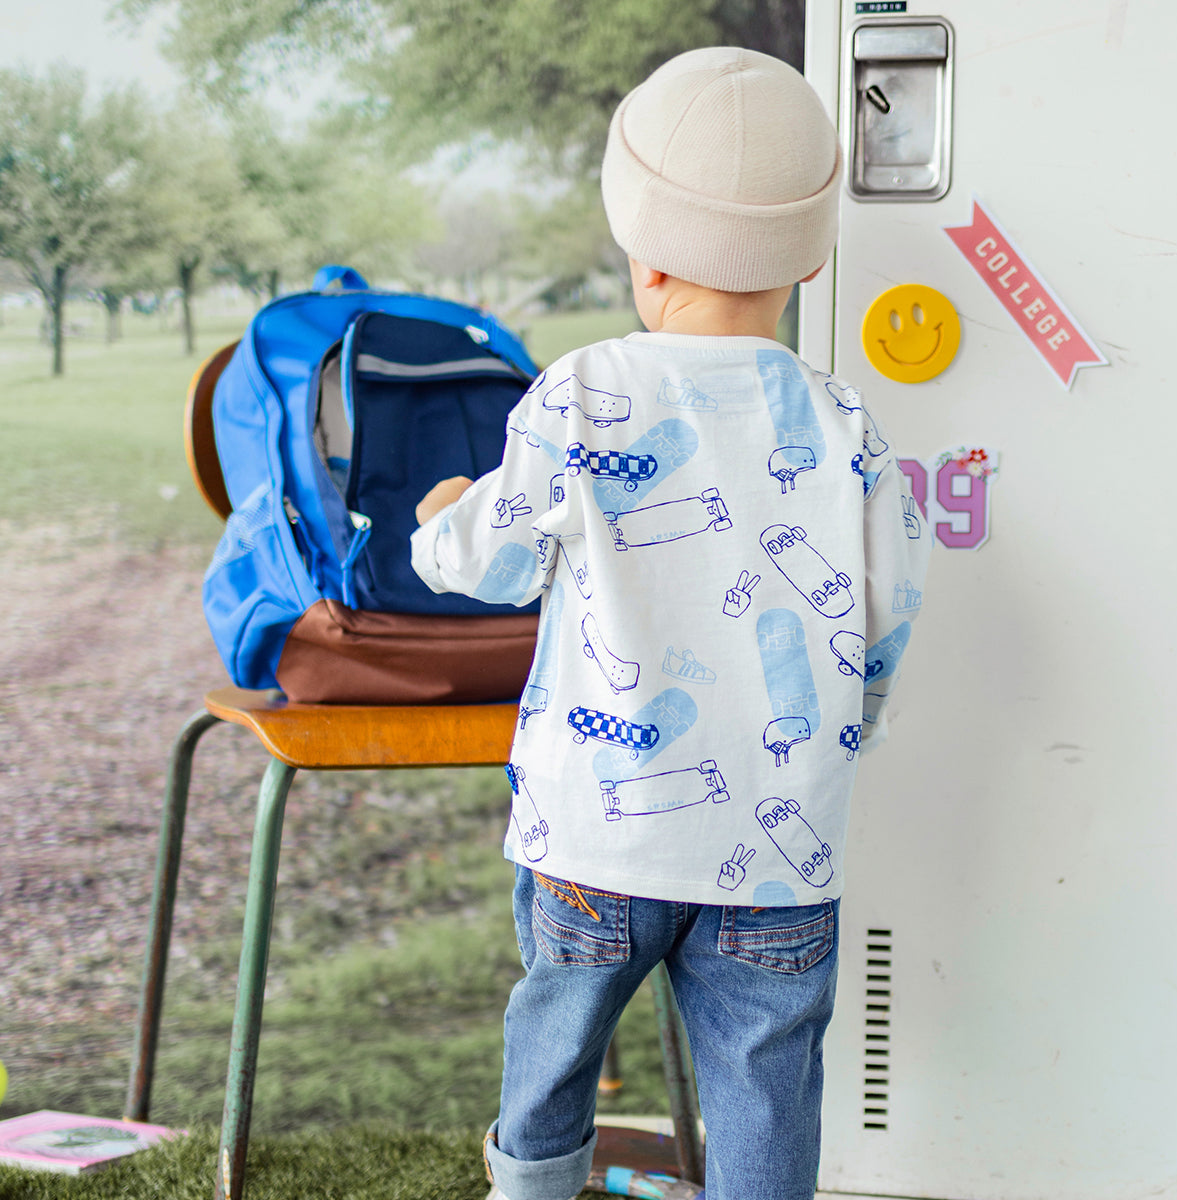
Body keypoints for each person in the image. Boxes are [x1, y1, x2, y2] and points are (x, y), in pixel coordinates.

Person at [411, 46, 932, 1200]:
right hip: (784, 840)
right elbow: (891, 608)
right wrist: (853, 729)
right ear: (808, 259)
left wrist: (437, 524)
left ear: (644, 260)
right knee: (765, 1074)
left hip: (596, 836)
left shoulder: (586, 388)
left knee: (554, 1045)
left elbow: (495, 564)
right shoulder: (843, 419)